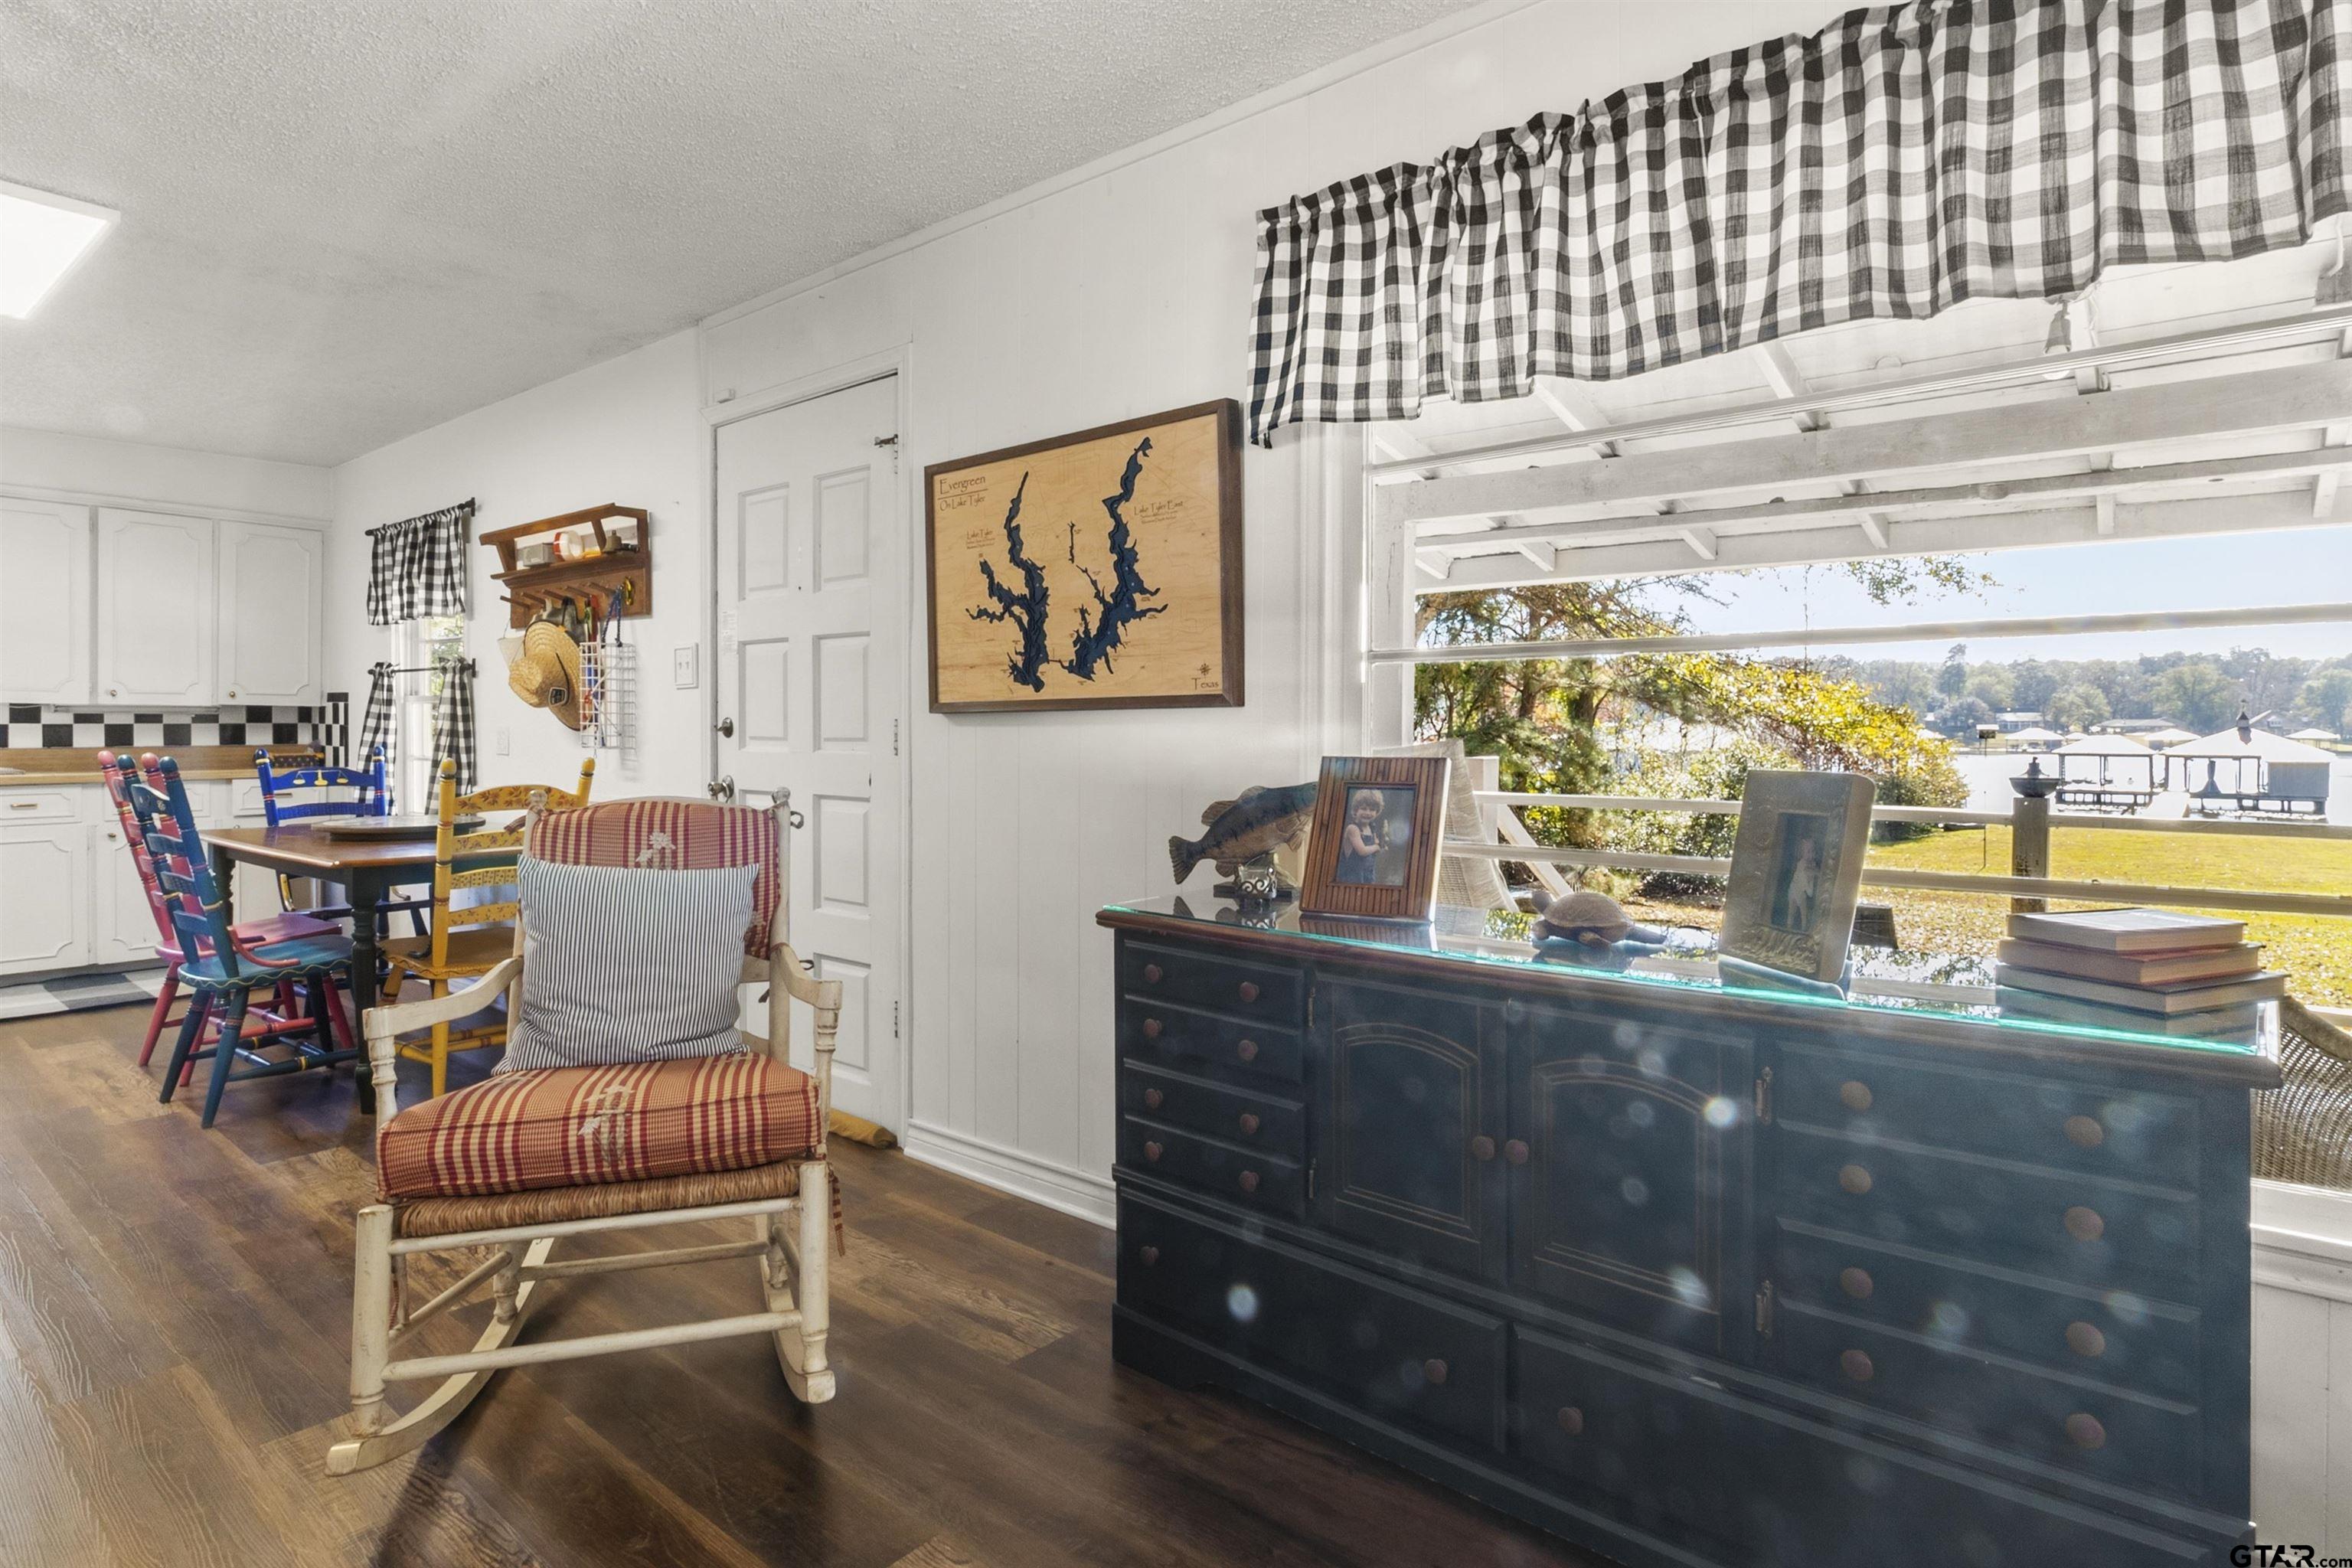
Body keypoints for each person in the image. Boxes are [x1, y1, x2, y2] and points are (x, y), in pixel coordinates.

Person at [1335, 788, 1387, 884]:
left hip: (1368, 874)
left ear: (1377, 812)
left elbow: (1375, 847)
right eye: (1364, 809)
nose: (1368, 813)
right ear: (1356, 810)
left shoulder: (1372, 828)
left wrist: (1382, 844)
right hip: (1353, 877)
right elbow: (1362, 851)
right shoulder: (1353, 829)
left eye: (1372, 810)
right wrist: (1376, 847)